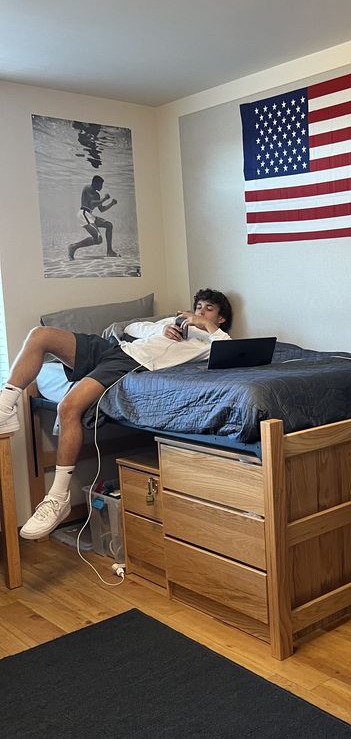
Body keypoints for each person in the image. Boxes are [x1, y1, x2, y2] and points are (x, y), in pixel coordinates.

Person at [0, 288, 233, 541]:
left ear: (221, 318)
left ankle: (58, 498)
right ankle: (4, 408)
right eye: (198, 307)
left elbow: (230, 351)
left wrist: (207, 326)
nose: (199, 313)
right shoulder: (173, 326)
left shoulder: (209, 342)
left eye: (208, 309)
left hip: (127, 363)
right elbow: (134, 328)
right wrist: (162, 328)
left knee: (67, 407)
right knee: (40, 335)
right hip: (113, 348)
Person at [68, 175, 119, 260]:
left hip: (90, 215)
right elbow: (92, 203)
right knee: (98, 239)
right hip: (83, 214)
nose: (101, 187)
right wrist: (104, 199)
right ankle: (73, 247)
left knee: (109, 225)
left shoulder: (97, 195)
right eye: (100, 185)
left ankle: (110, 251)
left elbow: (101, 209)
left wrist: (111, 204)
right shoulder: (87, 188)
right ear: (95, 183)